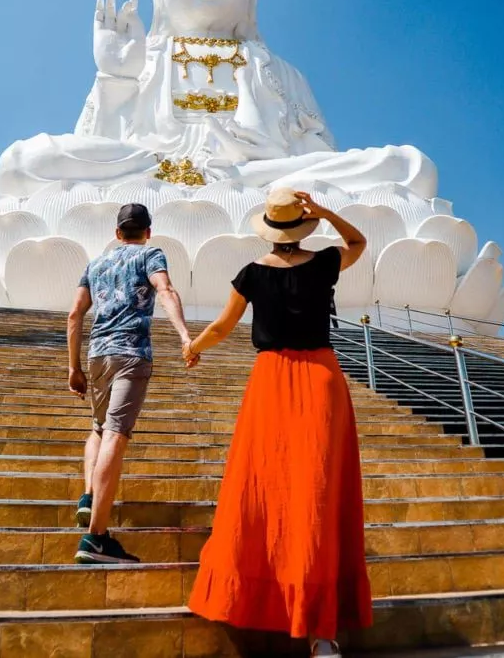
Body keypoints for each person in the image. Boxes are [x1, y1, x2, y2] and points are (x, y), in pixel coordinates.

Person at [184, 188, 373, 657]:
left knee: (261, 485)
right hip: (322, 376)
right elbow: (359, 243)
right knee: (318, 492)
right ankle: (321, 632)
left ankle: (255, 601)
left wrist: (193, 347)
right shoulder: (326, 261)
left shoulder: (251, 274)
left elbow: (222, 327)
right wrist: (327, 212)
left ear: (268, 228)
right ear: (303, 226)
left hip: (270, 379)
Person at [66, 202, 192, 564]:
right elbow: (165, 290)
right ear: (148, 232)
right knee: (116, 435)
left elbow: (75, 314)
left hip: (98, 355)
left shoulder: (96, 264)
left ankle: (89, 495)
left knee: (98, 428)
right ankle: (96, 539)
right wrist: (184, 335)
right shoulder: (151, 254)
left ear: (118, 233)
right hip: (131, 354)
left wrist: (74, 368)